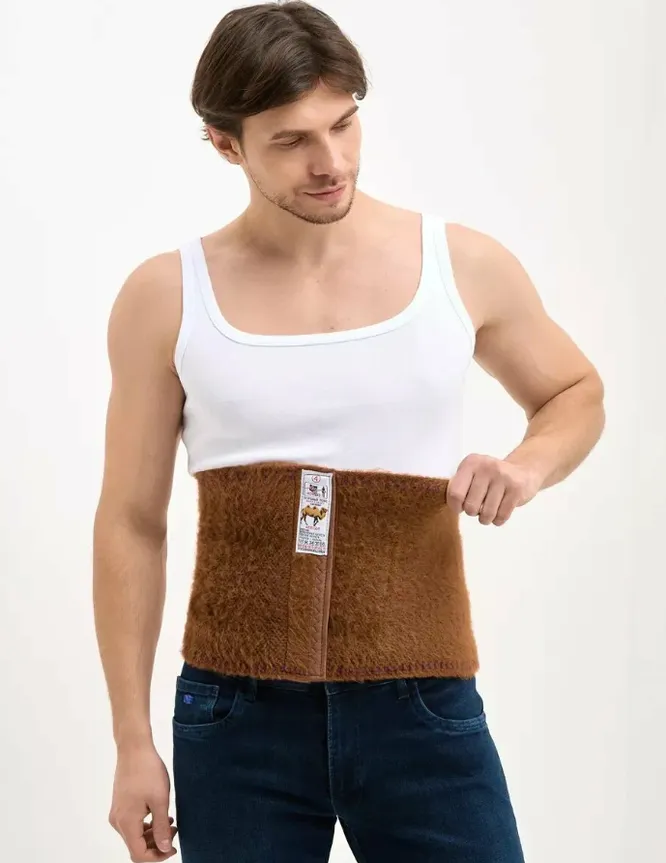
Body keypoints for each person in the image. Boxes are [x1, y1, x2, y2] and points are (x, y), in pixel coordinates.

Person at [92, 2, 605, 861]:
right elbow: (130, 522)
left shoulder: (460, 265)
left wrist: (527, 465)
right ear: (225, 144)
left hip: (424, 702)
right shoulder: (167, 296)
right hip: (236, 715)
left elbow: (575, 391)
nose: (331, 162)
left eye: (343, 123)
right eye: (292, 141)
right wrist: (131, 741)